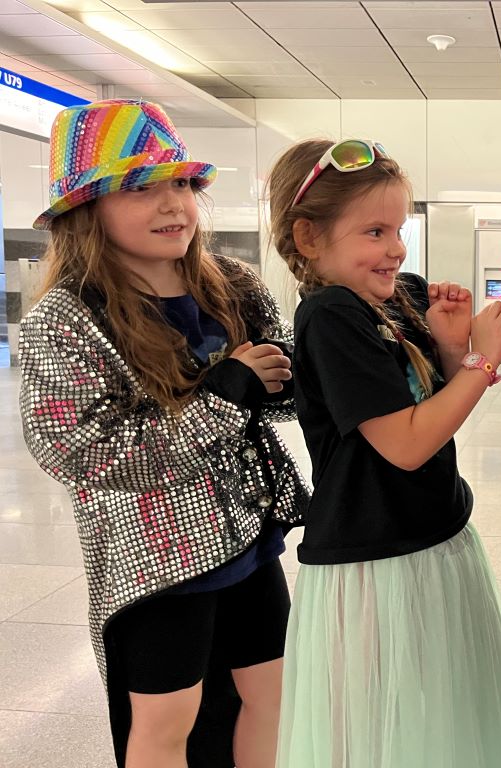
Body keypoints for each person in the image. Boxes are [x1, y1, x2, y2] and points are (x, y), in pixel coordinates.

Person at [18, 99, 308, 768]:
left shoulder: (230, 285)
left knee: (274, 693)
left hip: (248, 537)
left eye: (180, 183)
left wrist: (311, 365)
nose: (173, 202)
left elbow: (277, 389)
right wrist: (221, 399)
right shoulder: (63, 318)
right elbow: (80, 451)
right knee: (166, 718)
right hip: (153, 563)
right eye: (141, 188)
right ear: (87, 209)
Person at [264, 138, 501, 768]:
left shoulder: (397, 299)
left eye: (398, 229)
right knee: (384, 728)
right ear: (309, 237)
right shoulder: (331, 315)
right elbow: (405, 444)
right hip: (374, 561)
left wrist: (450, 350)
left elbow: (429, 408)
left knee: (436, 717)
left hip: (432, 535)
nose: (396, 248)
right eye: (374, 232)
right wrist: (482, 363)